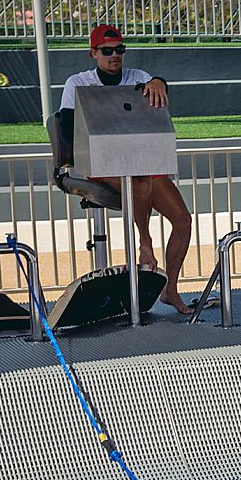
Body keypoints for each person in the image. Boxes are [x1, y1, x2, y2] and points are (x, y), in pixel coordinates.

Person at [58, 24, 195, 314]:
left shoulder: (137, 77)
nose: (114, 55)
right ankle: (145, 246)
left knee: (183, 220)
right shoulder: (77, 82)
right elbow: (68, 131)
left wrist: (159, 82)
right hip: (96, 159)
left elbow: (155, 83)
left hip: (139, 160)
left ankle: (170, 290)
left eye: (120, 49)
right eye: (107, 51)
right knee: (139, 181)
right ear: (93, 53)